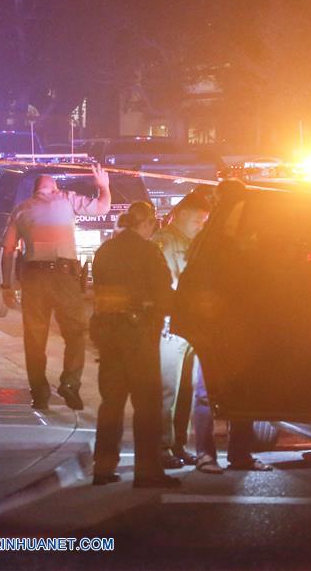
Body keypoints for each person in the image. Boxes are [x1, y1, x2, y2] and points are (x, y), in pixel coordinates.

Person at [176, 179, 272, 473]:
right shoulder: (213, 238)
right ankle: (210, 453)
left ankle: (232, 454)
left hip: (236, 325)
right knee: (208, 390)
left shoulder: (242, 237)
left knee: (234, 390)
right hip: (219, 326)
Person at [0, 164, 111, 411]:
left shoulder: (21, 210)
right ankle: (70, 384)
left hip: (34, 279)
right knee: (75, 333)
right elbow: (103, 207)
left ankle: (39, 394)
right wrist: (103, 186)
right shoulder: (67, 199)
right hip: (64, 276)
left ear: (35, 190)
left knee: (35, 338)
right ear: (55, 187)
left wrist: (6, 285)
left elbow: (7, 252)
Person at [90, 201, 179, 488]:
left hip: (109, 332)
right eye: (153, 224)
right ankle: (147, 470)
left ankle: (103, 467)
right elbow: (164, 293)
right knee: (147, 405)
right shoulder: (148, 251)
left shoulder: (106, 250)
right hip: (139, 333)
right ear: (147, 223)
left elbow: (97, 286)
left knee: (111, 403)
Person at [152, 194, 211, 469]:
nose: (201, 224)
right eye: (198, 219)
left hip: (190, 324)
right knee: (167, 389)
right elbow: (166, 281)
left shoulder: (195, 244)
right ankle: (161, 446)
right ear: (183, 215)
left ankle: (178, 443)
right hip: (170, 325)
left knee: (186, 390)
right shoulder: (164, 241)